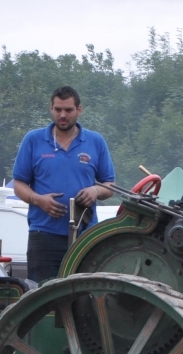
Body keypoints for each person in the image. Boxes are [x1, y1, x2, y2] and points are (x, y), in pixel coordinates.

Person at [12, 86, 115, 283]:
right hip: (43, 235)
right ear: (51, 109)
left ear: (79, 110)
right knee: (42, 295)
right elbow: (18, 184)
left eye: (68, 110)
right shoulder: (33, 140)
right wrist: (38, 200)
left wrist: (95, 190)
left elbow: (109, 185)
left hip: (85, 236)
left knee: (83, 298)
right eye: (58, 109)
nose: (63, 115)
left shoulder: (95, 142)